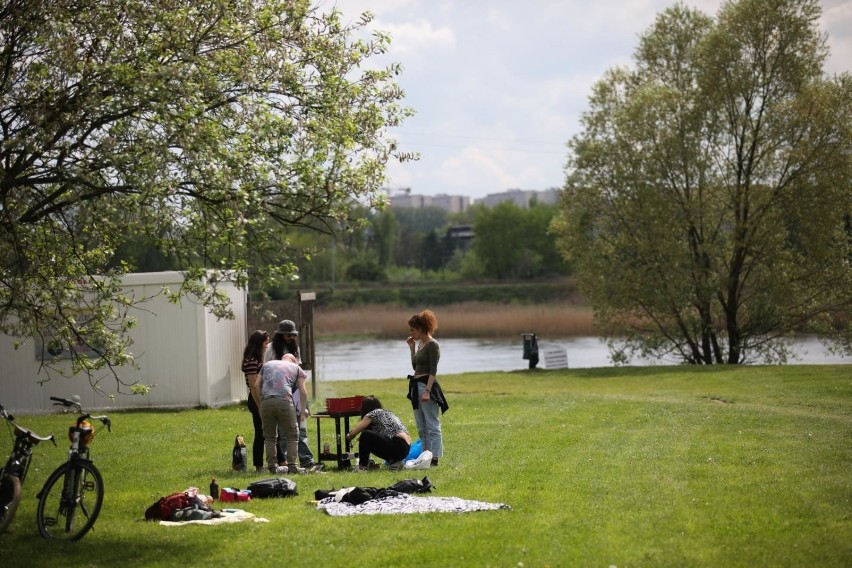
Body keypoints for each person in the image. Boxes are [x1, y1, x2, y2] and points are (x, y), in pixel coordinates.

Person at [264, 319, 319, 470]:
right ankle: (284, 461)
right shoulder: (269, 350)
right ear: (280, 335)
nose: (291, 338)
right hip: (278, 392)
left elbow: (298, 372)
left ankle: (307, 460)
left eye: (293, 335)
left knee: (301, 427)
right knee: (282, 429)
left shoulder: (296, 349)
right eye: (288, 335)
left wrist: (302, 403)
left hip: (295, 389)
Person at [406, 309, 448, 467]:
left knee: (432, 424)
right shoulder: (420, 344)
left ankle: (435, 458)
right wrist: (411, 348)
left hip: (426, 386)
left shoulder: (432, 344)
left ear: (421, 328)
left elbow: (433, 370)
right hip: (415, 386)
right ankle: (424, 458)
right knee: (421, 426)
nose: (411, 333)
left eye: (412, 330)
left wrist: (428, 391)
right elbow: (415, 366)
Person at [257, 352, 308, 474]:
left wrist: (261, 403)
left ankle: (272, 467)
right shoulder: (296, 368)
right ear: (293, 360)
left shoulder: (267, 364)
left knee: (269, 437)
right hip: (284, 401)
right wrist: (302, 410)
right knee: (292, 435)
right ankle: (292, 466)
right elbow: (303, 391)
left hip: (266, 401)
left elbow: (256, 384)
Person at [241, 329, 281, 472]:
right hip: (257, 399)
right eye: (265, 343)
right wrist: (259, 405)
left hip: (263, 398)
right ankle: (258, 466)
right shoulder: (251, 360)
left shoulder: (257, 359)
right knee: (261, 433)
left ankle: (281, 461)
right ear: (259, 343)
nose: (267, 345)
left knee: (272, 430)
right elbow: (253, 386)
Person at [345, 396, 411, 472]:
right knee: (368, 437)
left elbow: (355, 432)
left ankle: (362, 467)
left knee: (365, 434)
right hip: (405, 449)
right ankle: (395, 462)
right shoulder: (388, 413)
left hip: (397, 445)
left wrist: (349, 436)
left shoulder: (373, 413)